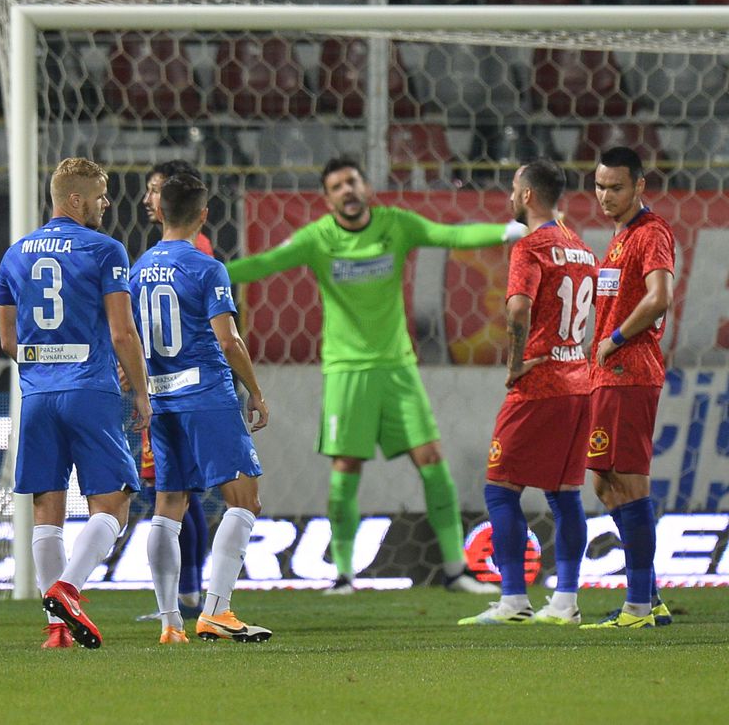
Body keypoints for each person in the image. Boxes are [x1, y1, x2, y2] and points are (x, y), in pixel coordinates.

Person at [226, 158, 528, 595]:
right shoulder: (318, 239)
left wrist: (507, 232)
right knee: (346, 466)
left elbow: (451, 236)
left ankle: (455, 569)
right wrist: (207, 274)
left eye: (352, 181)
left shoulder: (396, 225)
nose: (346, 190)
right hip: (347, 371)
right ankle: (344, 575)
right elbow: (265, 264)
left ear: (366, 187)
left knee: (432, 461)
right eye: (336, 186)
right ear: (327, 199)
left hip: (398, 368)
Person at [0, 157, 152, 649]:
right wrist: (142, 389)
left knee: (48, 508)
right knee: (113, 504)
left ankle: (56, 630)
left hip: (37, 395)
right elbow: (123, 330)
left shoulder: (15, 254)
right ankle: (66, 590)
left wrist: (47, 361)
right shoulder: (106, 250)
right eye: (102, 196)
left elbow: (6, 342)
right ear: (77, 199)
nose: (107, 204)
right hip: (91, 390)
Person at [130, 174, 272, 644]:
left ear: (160, 211)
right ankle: (217, 611)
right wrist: (254, 390)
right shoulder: (207, 267)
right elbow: (228, 339)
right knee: (245, 498)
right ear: (203, 215)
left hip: (162, 396)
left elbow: (128, 340)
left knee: (168, 506)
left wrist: (139, 393)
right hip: (206, 393)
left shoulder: (138, 268)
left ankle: (171, 622)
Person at [458, 160, 596, 626]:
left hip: (538, 385)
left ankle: (514, 600)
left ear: (529, 196)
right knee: (565, 494)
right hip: (579, 380)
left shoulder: (531, 247)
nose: (511, 196)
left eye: (515, 189)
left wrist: (516, 363)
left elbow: (519, 310)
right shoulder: (580, 247)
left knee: (500, 490)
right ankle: (566, 601)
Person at [580, 146, 675, 630]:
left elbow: (660, 298)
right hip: (608, 375)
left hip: (631, 371)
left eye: (615, 187)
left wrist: (615, 339)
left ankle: (638, 604)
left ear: (639, 185)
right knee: (603, 480)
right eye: (599, 186)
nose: (605, 195)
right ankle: (649, 595)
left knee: (629, 481)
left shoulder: (652, 233)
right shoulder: (618, 239)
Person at [137, 159, 211, 620]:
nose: (149, 199)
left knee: (171, 493)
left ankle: (187, 595)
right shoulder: (180, 247)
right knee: (180, 494)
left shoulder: (189, 249)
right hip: (173, 384)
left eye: (155, 190)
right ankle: (189, 593)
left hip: (175, 388)